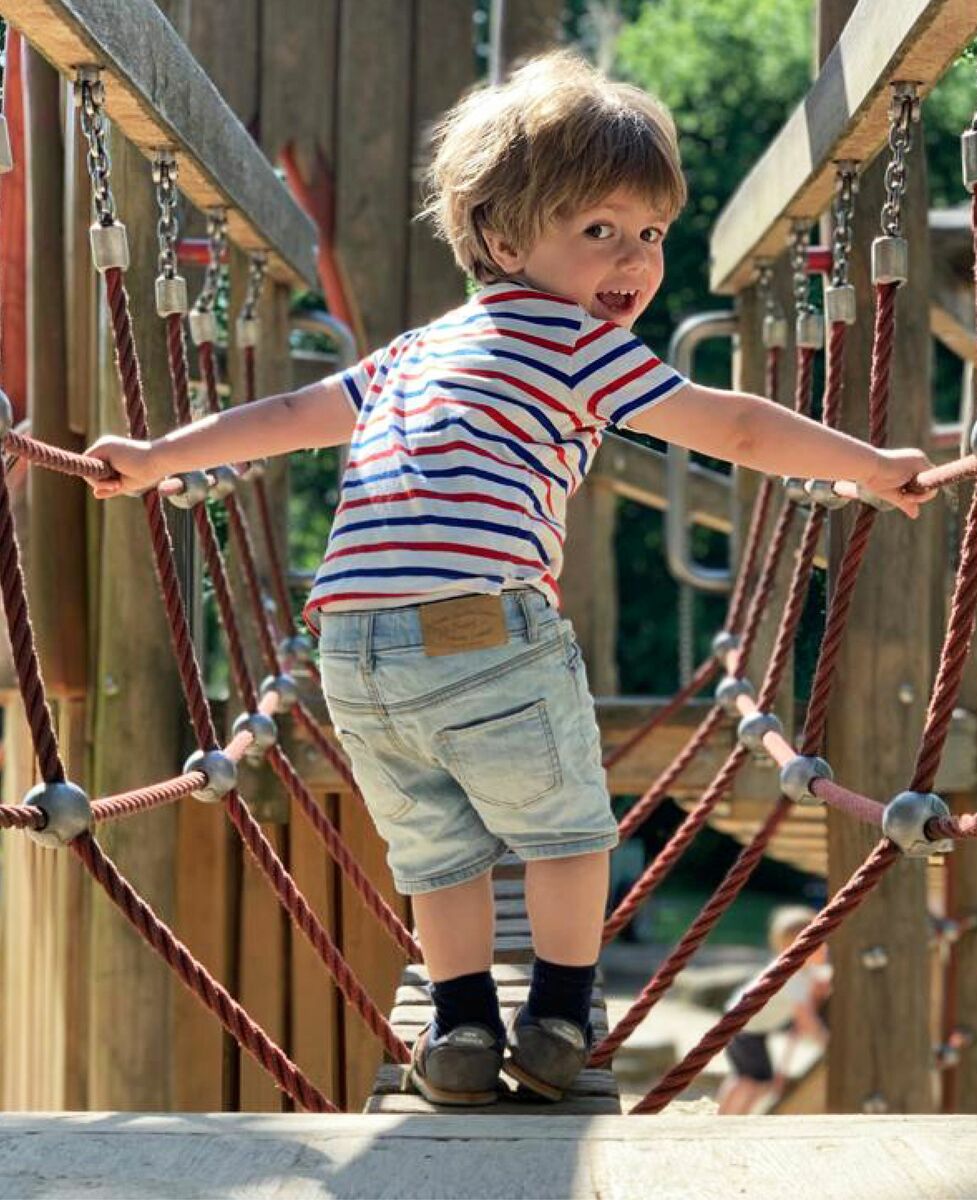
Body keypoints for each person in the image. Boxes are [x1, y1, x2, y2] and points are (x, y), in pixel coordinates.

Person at [84, 50, 933, 1107]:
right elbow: (733, 425)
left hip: (347, 648)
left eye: (651, 234)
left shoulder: (412, 352)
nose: (633, 259)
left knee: (438, 850)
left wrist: (161, 456)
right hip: (479, 630)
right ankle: (561, 1012)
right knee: (570, 831)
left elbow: (293, 419)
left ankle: (461, 1030)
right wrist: (871, 467)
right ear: (500, 237)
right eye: (599, 231)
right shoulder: (579, 342)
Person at [716, 906, 831, 1115]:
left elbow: (818, 978)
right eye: (821, 944)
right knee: (757, 1082)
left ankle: (724, 1116)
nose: (826, 949)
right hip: (746, 1029)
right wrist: (826, 1043)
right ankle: (731, 1118)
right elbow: (805, 1020)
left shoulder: (795, 968)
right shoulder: (792, 977)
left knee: (743, 1076)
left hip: (742, 1024)